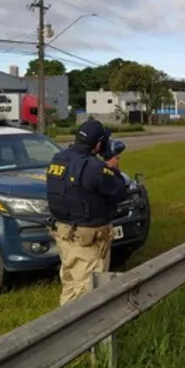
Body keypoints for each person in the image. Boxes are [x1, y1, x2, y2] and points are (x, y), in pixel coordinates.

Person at [46, 119, 128, 305]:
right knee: (88, 291)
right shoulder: (95, 169)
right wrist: (113, 169)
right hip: (88, 241)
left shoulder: (58, 159)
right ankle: (83, 331)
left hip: (65, 235)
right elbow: (119, 191)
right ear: (99, 144)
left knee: (70, 284)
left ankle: (63, 327)